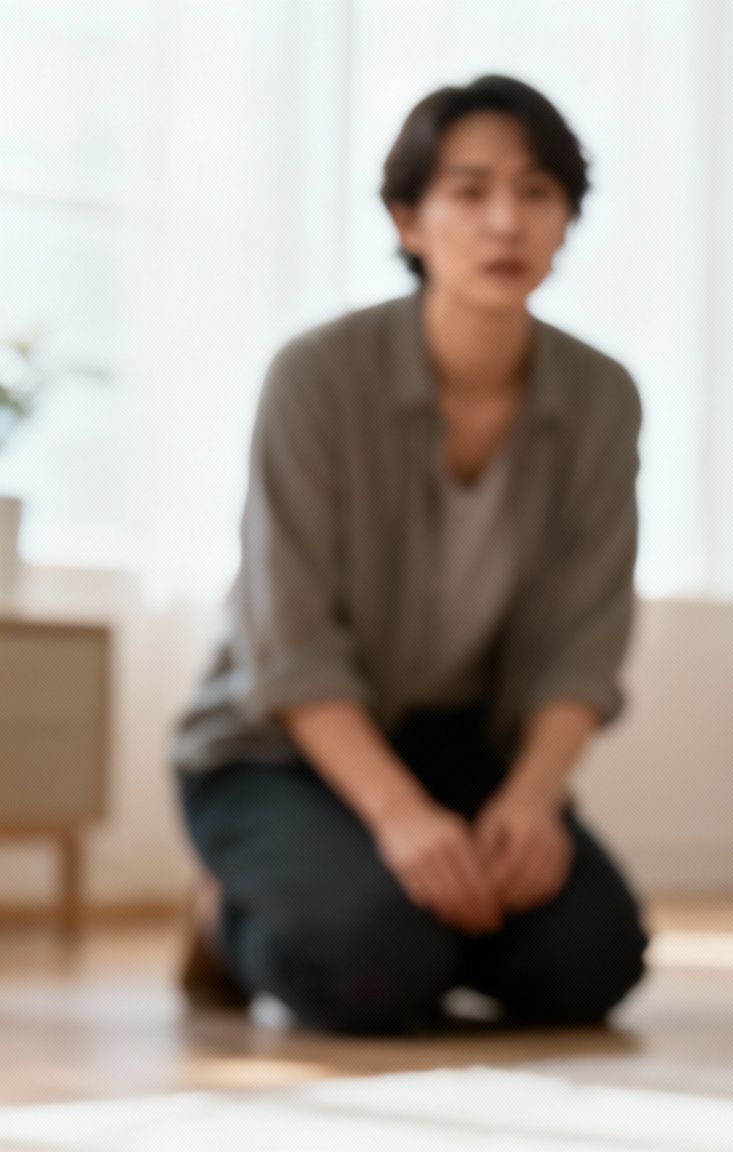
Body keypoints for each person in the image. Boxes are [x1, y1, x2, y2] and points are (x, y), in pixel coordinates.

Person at [171, 75, 647, 1034]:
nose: (504, 220)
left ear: (567, 219)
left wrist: (530, 798)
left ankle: (409, 916)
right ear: (409, 218)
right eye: (468, 191)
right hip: (278, 749)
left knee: (589, 963)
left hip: (466, 749)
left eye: (537, 192)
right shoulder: (315, 375)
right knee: (371, 970)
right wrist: (397, 818)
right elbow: (290, 641)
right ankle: (228, 917)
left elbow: (584, 638)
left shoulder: (601, 396)